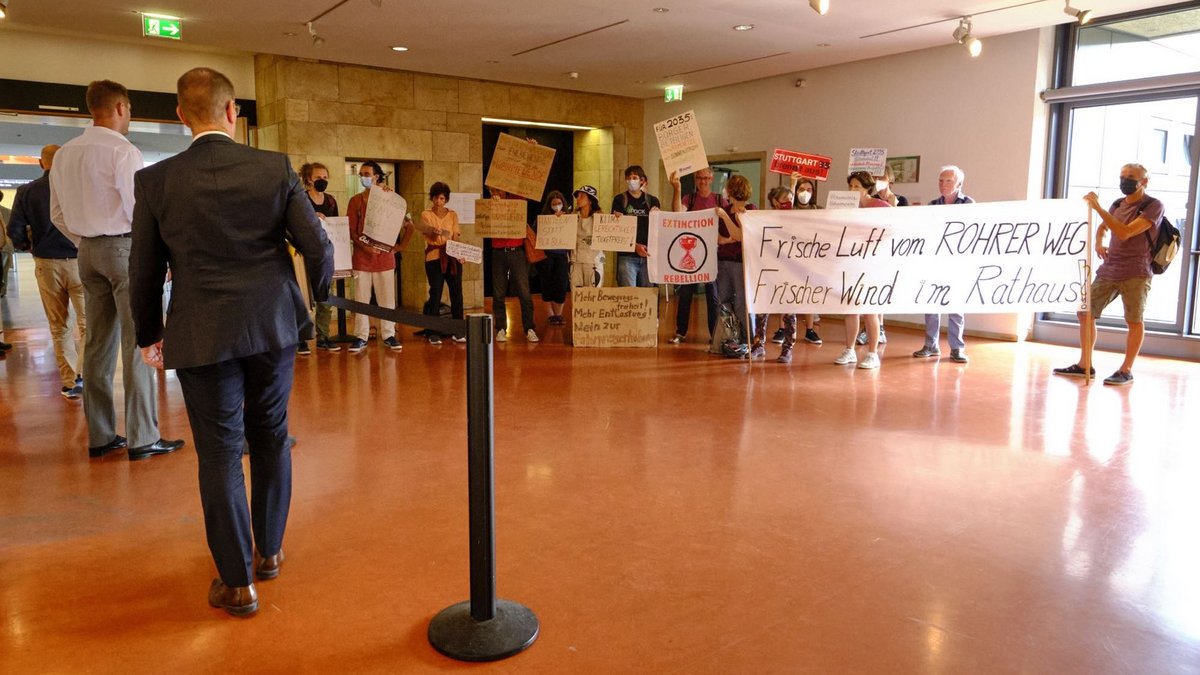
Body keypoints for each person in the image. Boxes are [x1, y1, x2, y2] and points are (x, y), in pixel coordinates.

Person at [129, 67, 334, 616]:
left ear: (179, 116)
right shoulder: (274, 168)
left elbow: (144, 270)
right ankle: (269, 552)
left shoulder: (156, 181)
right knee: (271, 435)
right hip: (273, 326)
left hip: (200, 330)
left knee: (219, 454)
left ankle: (238, 583)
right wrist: (317, 300)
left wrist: (150, 335)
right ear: (232, 111)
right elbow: (317, 246)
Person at [49, 79, 183, 461]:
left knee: (96, 344)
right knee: (140, 340)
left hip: (86, 252)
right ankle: (143, 437)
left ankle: (102, 435)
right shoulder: (123, 151)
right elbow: (138, 213)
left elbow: (56, 215)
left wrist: (85, 241)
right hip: (124, 248)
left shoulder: (64, 154)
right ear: (122, 107)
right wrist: (157, 258)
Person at [1054, 163, 1162, 386]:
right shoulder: (1117, 204)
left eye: (1131, 177)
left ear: (1144, 181)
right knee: (1085, 313)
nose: (1125, 181)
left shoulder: (1154, 206)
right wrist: (1099, 242)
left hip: (1137, 272)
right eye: (1122, 176)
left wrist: (1098, 208)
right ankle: (1085, 364)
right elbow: (1104, 227)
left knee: (1133, 320)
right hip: (1110, 268)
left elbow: (1124, 232)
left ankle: (1126, 369)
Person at [7, 144, 86, 398]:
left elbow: (14, 230)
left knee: (59, 325)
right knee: (88, 324)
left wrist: (28, 246)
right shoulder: (77, 189)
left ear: (41, 164)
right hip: (79, 262)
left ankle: (70, 381)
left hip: (46, 264)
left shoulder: (27, 191)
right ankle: (86, 374)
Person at [345, 160, 409, 354]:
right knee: (361, 299)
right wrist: (366, 249)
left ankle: (389, 334)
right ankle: (361, 336)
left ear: (377, 177)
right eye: (361, 174)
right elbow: (352, 231)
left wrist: (397, 247)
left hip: (385, 258)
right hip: (362, 260)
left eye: (367, 174)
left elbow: (401, 223)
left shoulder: (389, 198)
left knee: (387, 299)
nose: (364, 177)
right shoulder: (355, 201)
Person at [915, 165, 974, 363]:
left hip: (957, 263)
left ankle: (957, 348)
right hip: (935, 262)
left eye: (948, 180)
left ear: (959, 183)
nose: (943, 184)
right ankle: (930, 344)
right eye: (940, 180)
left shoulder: (968, 204)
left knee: (956, 305)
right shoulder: (933, 205)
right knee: (931, 303)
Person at [834, 171, 890, 370]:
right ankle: (849, 350)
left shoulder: (880, 206)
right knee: (850, 308)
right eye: (850, 186)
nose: (852, 190)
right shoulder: (846, 208)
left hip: (873, 265)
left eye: (856, 186)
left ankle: (872, 353)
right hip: (851, 263)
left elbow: (891, 230)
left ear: (867, 188)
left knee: (869, 310)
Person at [667, 168, 721, 344]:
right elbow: (676, 214)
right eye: (699, 178)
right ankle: (680, 331)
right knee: (685, 294)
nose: (702, 181)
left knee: (712, 296)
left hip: (711, 255)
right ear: (695, 179)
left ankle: (714, 334)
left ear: (712, 179)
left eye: (706, 178)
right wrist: (677, 189)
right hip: (690, 254)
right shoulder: (688, 199)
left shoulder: (720, 200)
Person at [488, 186, 538, 343]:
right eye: (494, 190)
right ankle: (501, 328)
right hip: (497, 252)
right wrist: (493, 203)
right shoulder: (489, 205)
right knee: (498, 293)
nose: (498, 193)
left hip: (516, 251)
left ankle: (529, 328)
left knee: (524, 291)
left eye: (500, 190)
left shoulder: (517, 200)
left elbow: (527, 192)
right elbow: (483, 222)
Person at [714, 174, 756, 357]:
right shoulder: (723, 209)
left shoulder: (750, 210)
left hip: (740, 263)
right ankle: (730, 338)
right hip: (723, 262)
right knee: (724, 301)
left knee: (741, 304)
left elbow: (739, 236)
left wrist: (726, 218)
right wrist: (723, 240)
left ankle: (750, 339)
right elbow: (718, 237)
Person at [300, 162, 340, 353]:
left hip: (326, 256)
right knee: (304, 299)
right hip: (305, 256)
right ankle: (302, 338)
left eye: (325, 178)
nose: (322, 181)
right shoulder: (301, 199)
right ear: (309, 179)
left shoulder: (331, 201)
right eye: (318, 178)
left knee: (325, 298)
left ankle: (324, 336)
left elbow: (338, 225)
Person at [420, 181, 464, 344]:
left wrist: (459, 253)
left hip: (452, 256)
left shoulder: (452, 214)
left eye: (443, 198)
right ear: (432, 198)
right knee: (436, 292)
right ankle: (433, 331)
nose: (440, 201)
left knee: (456, 293)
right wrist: (433, 233)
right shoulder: (426, 214)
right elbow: (426, 234)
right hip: (434, 257)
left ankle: (458, 329)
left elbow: (456, 235)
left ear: (446, 199)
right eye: (437, 198)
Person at [611, 165, 661, 288]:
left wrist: (658, 216)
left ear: (642, 180)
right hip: (627, 257)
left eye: (634, 177)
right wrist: (635, 246)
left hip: (649, 256)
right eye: (628, 178)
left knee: (648, 296)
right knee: (629, 297)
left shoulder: (652, 200)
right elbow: (616, 231)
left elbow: (658, 229)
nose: (631, 181)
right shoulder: (619, 199)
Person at [535, 190, 572, 325]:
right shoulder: (543, 218)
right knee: (547, 285)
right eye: (554, 204)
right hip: (546, 256)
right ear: (549, 205)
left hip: (562, 255)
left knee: (561, 284)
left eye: (559, 203)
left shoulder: (568, 217)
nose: (557, 206)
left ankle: (559, 314)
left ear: (563, 203)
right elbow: (535, 235)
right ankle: (551, 315)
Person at [571, 185, 604, 288]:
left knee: (592, 296)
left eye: (582, 196)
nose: (578, 199)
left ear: (590, 200)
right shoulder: (572, 217)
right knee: (576, 296)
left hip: (594, 261)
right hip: (575, 260)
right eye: (578, 196)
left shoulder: (601, 218)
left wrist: (618, 218)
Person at [0, 191, 13, 298]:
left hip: (4, 247)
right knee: (4, 273)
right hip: (6, 247)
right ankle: (2, 291)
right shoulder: (9, 212)